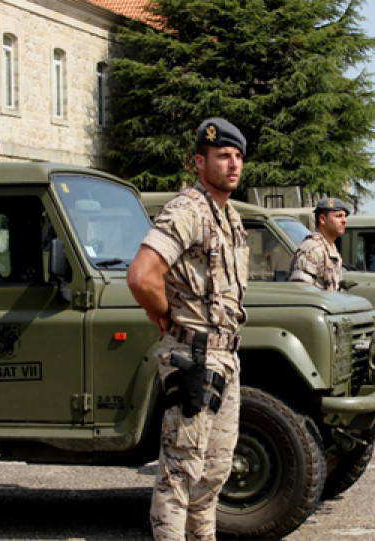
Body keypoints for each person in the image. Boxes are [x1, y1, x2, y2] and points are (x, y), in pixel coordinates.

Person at [127, 118, 248, 540]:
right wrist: (167, 316)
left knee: (213, 475)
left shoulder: (229, 217)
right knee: (180, 475)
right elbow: (142, 276)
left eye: (237, 157)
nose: (232, 165)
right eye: (222, 157)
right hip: (194, 357)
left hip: (225, 358)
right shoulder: (188, 210)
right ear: (200, 161)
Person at [289, 197, 350, 290]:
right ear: (322, 219)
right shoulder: (312, 249)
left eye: (345, 216)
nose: (344, 221)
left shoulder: (330, 247)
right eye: (339, 216)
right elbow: (300, 290)